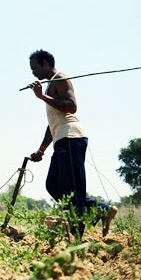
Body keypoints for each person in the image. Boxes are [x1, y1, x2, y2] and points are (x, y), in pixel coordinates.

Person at [26, 49, 117, 238]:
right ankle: (101, 209)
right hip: (61, 139)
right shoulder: (51, 84)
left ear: (45, 64)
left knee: (71, 190)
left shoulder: (60, 78)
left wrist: (41, 96)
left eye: (35, 68)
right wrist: (41, 149)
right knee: (53, 186)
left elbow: (71, 106)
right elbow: (53, 122)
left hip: (71, 138)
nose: (33, 72)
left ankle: (76, 238)